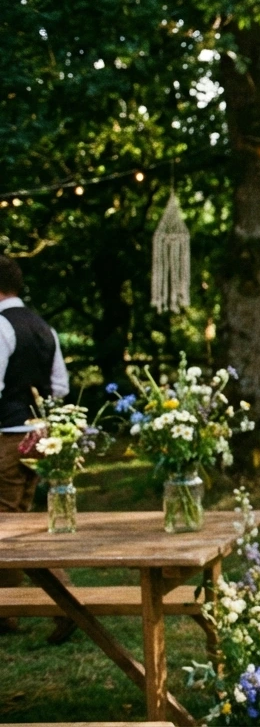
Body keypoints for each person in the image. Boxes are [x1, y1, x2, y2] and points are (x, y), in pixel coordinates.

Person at [0, 255, 71, 636]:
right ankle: (6, 610)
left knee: (8, 523)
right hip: (41, 436)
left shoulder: (1, 326)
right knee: (21, 521)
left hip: (9, 437)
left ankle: (66, 604)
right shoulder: (45, 328)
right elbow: (59, 387)